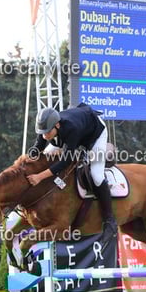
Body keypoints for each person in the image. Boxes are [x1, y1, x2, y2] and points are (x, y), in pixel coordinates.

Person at [27, 103, 117, 244]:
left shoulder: (71, 128)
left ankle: (109, 221)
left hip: (95, 135)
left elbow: (65, 161)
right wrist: (26, 161)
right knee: (46, 157)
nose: (44, 136)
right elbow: (38, 148)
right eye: (42, 133)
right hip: (74, 131)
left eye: (47, 132)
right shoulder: (46, 127)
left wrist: (39, 177)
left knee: (96, 176)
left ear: (57, 125)